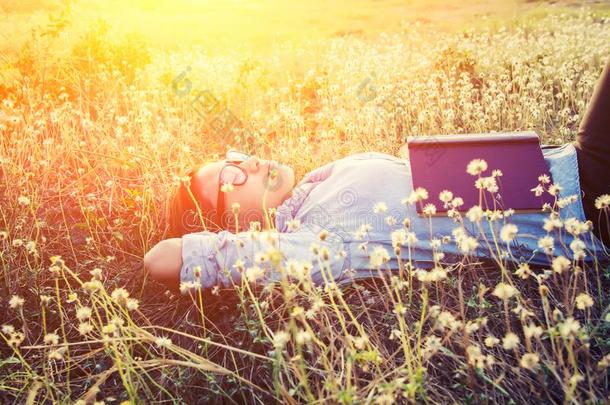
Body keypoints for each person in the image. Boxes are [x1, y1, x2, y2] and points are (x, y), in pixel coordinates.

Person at [143, 59, 610, 292]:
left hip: (569, 164)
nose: (247, 164)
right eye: (231, 176)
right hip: (585, 203)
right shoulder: (310, 242)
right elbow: (161, 259)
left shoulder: (315, 189)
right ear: (236, 229)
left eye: (235, 157)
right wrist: (226, 247)